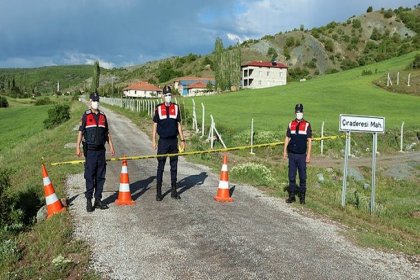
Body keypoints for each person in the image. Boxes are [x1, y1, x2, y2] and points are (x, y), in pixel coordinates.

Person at [76, 92, 115, 212]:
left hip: (101, 151)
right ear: (90, 101)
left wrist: (111, 146)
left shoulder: (103, 116)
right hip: (91, 152)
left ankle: (98, 200)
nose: (96, 102)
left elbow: (107, 133)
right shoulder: (86, 115)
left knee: (100, 177)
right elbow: (81, 131)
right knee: (89, 176)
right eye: (94, 100)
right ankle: (89, 201)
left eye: (97, 100)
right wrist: (77, 146)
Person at [152, 85, 186, 201]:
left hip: (173, 141)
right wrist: (154, 140)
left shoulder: (176, 108)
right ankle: (158, 192)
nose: (168, 97)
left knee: (174, 166)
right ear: (162, 96)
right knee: (160, 166)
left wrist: (183, 140)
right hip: (163, 141)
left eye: (169, 95)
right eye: (166, 95)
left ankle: (174, 191)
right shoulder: (158, 108)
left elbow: (179, 125)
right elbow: (155, 125)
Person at [283, 103, 312, 204]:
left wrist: (308, 155)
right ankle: (291, 196)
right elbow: (287, 137)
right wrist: (284, 151)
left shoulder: (307, 124)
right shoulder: (291, 124)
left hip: (301, 155)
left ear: (303, 112)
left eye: (300, 111)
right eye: (297, 111)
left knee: (303, 176)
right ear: (295, 112)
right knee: (291, 176)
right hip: (292, 154)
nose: (299, 113)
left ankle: (302, 198)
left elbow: (309, 140)